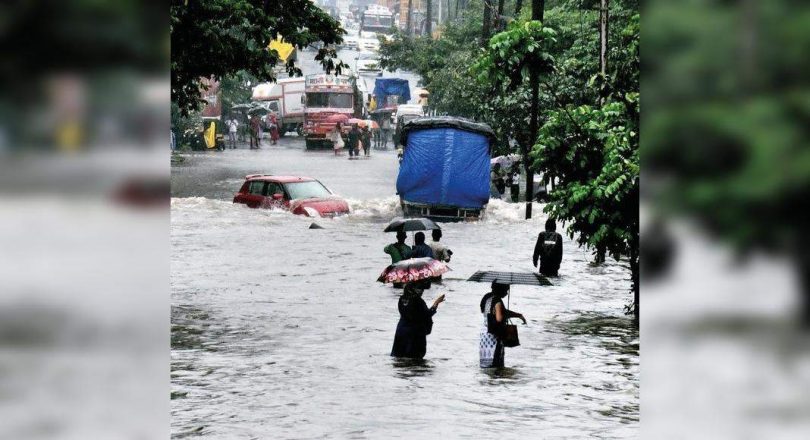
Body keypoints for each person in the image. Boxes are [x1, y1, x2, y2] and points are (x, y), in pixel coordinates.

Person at [391, 280, 445, 359]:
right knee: (414, 358)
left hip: (401, 331)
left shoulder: (401, 299)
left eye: (422, 288)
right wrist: (436, 303)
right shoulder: (418, 301)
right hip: (415, 333)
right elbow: (426, 315)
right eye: (419, 288)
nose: (422, 291)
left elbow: (406, 314)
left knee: (399, 357)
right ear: (412, 288)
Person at [479, 282, 526, 368]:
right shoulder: (497, 301)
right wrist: (515, 316)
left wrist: (517, 315)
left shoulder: (487, 297)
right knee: (497, 365)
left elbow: (486, 312)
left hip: (484, 335)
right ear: (501, 289)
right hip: (494, 336)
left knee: (486, 365)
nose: (507, 293)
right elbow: (499, 318)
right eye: (506, 290)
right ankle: (498, 381)